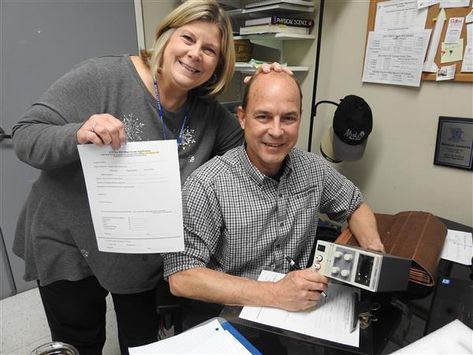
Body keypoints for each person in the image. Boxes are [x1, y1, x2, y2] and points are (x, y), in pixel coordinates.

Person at [9, 0, 283, 353]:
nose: (195, 54)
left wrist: (267, 88)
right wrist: (78, 132)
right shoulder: (103, 77)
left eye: (210, 49)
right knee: (81, 342)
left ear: (219, 64)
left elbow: (257, 149)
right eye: (187, 38)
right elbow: (25, 135)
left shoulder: (209, 116)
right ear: (166, 36)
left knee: (141, 344)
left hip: (139, 252)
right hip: (68, 239)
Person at [164, 71, 385, 328]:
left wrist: (373, 250)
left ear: (300, 119)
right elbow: (181, 277)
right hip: (234, 316)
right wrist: (275, 293)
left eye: (288, 118)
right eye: (263, 117)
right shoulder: (207, 184)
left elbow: (354, 204)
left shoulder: (314, 169)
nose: (277, 131)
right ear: (242, 118)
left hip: (301, 311)